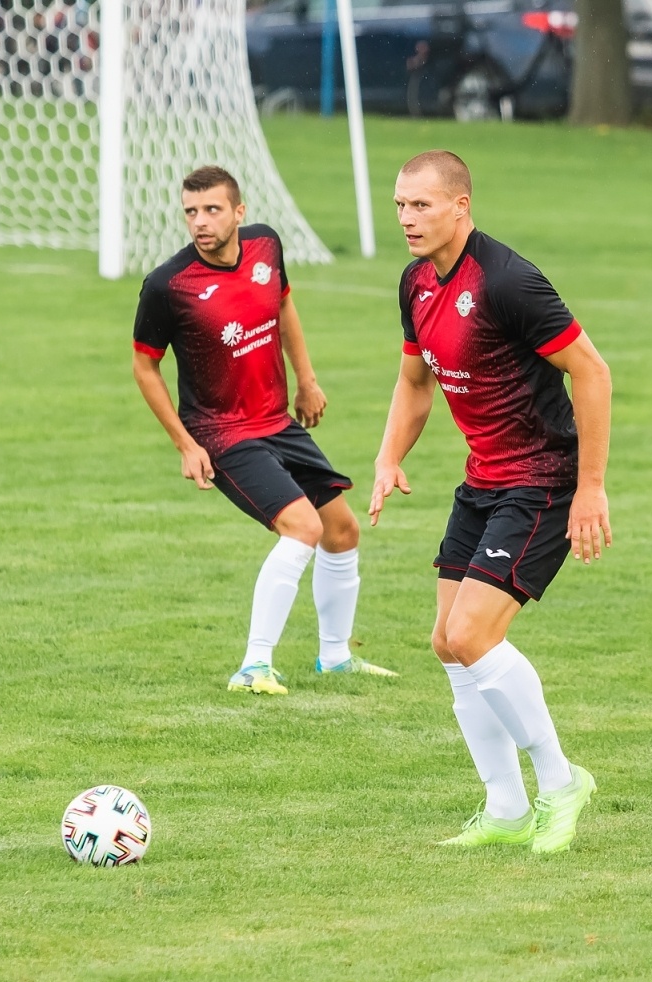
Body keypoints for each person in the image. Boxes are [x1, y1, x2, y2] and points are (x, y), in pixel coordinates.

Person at [369, 150, 612, 854]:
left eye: (421, 205)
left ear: (460, 206)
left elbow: (591, 372)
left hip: (542, 478)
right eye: (400, 206)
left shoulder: (508, 281)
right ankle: (505, 807)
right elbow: (415, 382)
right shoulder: (416, 282)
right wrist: (390, 456)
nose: (408, 219)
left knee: (474, 635)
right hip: (484, 479)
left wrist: (591, 486)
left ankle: (562, 782)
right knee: (447, 642)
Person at [132, 165, 395, 694]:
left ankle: (336, 658)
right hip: (222, 431)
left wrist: (307, 379)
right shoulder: (168, 285)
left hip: (276, 419)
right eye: (190, 212)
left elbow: (283, 305)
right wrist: (185, 444)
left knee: (342, 531)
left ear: (239, 212)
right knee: (304, 528)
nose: (200, 223)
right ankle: (254, 667)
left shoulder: (266, 247)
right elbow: (144, 366)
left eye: (211, 210)